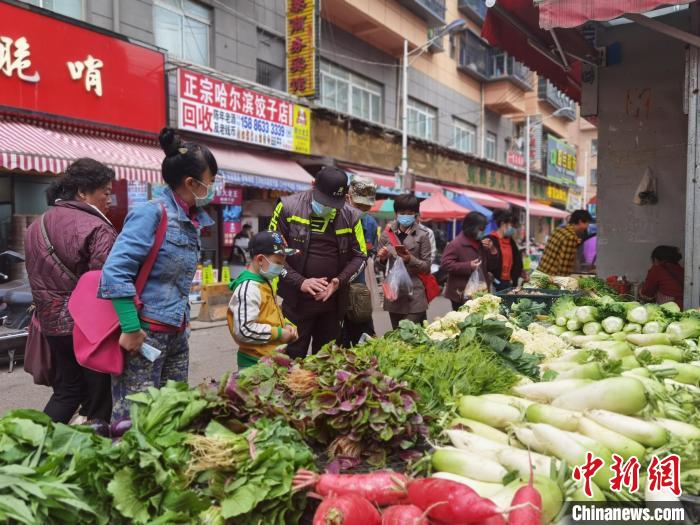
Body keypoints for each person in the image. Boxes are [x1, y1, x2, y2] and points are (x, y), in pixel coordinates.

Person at [99, 128, 220, 422]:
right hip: (145, 334)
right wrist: (130, 327)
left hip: (177, 331)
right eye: (211, 181)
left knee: (172, 414)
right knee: (136, 419)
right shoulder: (151, 213)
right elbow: (115, 271)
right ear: (191, 183)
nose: (214, 187)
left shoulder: (192, 220)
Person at [25, 158, 116, 424]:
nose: (110, 200)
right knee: (100, 399)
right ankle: (92, 451)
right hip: (87, 329)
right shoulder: (98, 227)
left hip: (51, 326)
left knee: (68, 390)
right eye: (106, 192)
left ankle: (35, 445)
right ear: (82, 192)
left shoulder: (36, 226)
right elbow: (106, 283)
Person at [268, 166, 367, 359]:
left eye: (334, 203)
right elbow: (273, 252)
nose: (328, 207)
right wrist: (301, 282)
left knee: (326, 361)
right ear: (313, 186)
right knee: (290, 360)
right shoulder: (287, 207)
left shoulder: (351, 216)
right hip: (296, 305)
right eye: (324, 201)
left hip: (332, 307)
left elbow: (360, 256)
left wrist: (339, 281)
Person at [228, 231, 299, 369]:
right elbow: (244, 330)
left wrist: (287, 326)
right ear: (260, 259)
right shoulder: (249, 288)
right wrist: (278, 334)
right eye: (278, 262)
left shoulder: (265, 282)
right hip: (254, 363)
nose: (281, 267)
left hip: (270, 359)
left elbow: (270, 315)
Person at [377, 193, 432, 329]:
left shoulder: (423, 236)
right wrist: (382, 259)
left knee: (406, 333)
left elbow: (427, 267)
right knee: (397, 337)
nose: (406, 216)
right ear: (396, 214)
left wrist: (410, 259)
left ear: (416, 214)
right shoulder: (386, 234)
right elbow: (378, 264)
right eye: (402, 212)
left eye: (410, 213)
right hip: (394, 291)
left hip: (415, 294)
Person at [340, 175, 378, 347]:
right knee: (338, 340)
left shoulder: (370, 223)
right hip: (336, 287)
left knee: (364, 340)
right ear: (348, 198)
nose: (363, 209)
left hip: (358, 290)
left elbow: (371, 251)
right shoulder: (337, 218)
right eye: (359, 205)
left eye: (366, 206)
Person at [441, 212, 489, 311]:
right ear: (471, 227)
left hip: (479, 292)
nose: (483, 232)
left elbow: (490, 265)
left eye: (484, 229)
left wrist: (492, 250)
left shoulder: (481, 244)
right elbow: (445, 264)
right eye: (480, 229)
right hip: (459, 294)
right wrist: (468, 266)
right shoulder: (456, 244)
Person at [537, 210, 593, 277]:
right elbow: (564, 267)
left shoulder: (559, 230)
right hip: (550, 279)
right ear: (580, 221)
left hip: (541, 272)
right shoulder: (571, 237)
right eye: (587, 223)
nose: (587, 226)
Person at [484, 209, 523, 292]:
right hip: (494, 283)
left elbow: (517, 262)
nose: (513, 229)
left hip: (510, 284)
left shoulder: (511, 242)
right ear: (502, 224)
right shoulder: (489, 240)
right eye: (511, 225)